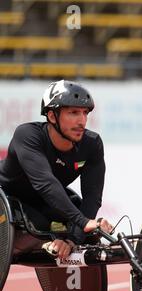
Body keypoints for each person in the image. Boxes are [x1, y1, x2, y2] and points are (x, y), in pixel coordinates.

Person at [0, 80, 113, 259]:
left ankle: (58, 242)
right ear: (52, 116)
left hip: (42, 202)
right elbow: (45, 183)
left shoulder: (92, 144)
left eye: (85, 113)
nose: (82, 121)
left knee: (86, 231)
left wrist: (73, 239)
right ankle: (43, 241)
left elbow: (92, 197)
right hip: (7, 197)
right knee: (40, 224)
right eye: (73, 113)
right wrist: (83, 222)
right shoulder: (28, 135)